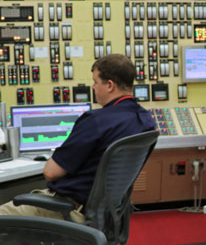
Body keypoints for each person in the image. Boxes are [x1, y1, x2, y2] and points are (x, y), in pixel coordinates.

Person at [0, 54, 156, 222]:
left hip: (68, 211)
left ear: (110, 85)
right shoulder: (146, 120)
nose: (93, 87)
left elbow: (51, 172)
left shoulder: (96, 120)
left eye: (96, 82)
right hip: (106, 215)